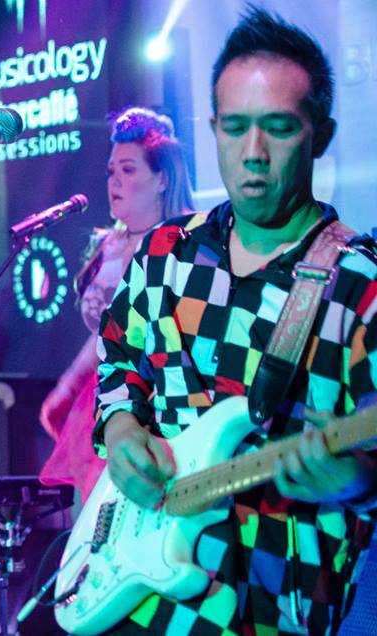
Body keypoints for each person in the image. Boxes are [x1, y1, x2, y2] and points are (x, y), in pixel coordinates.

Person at [95, 8, 377, 634]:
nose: (253, 154)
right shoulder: (164, 253)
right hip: (141, 595)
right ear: (213, 129)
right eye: (235, 128)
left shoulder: (361, 287)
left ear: (320, 136)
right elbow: (117, 357)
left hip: (272, 606)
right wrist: (120, 429)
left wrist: (357, 482)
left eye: (279, 128)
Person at [38, 107, 193, 500]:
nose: (114, 181)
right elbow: (108, 332)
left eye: (128, 169)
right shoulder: (108, 244)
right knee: (94, 518)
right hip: (102, 397)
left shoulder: (187, 241)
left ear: (162, 178)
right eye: (111, 171)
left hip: (157, 398)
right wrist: (68, 385)